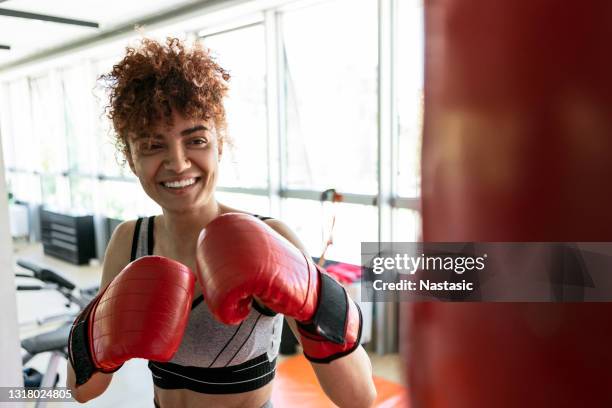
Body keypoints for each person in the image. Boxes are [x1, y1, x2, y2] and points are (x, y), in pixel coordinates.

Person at [66, 37, 377, 408]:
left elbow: (359, 398)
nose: (178, 163)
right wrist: (98, 338)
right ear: (131, 159)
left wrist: (313, 302)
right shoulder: (130, 241)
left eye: (195, 139)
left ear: (219, 145)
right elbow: (82, 390)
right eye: (152, 145)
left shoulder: (269, 235)